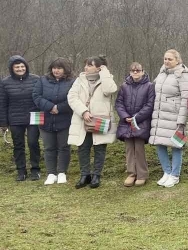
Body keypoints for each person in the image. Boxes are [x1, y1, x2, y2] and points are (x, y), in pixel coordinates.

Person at [67, 56, 118, 188]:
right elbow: (72, 97)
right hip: (82, 119)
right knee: (83, 148)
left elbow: (110, 90)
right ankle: (85, 175)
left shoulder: (107, 79)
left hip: (100, 120)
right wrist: (83, 111)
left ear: (99, 67)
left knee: (99, 148)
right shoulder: (79, 80)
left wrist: (105, 72)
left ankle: (96, 175)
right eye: (86, 65)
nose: (86, 67)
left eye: (90, 65)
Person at [149, 49, 188, 188]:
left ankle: (175, 175)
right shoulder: (161, 73)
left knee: (176, 146)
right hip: (160, 116)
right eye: (165, 58)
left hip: (175, 117)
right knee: (159, 144)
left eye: (170, 59)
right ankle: (166, 172)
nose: (167, 61)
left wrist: (182, 120)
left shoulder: (183, 75)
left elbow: (187, 99)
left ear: (177, 60)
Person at [32, 58, 74, 185]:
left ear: (65, 69)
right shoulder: (42, 80)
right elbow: (36, 96)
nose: (56, 70)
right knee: (49, 147)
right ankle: (51, 173)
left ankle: (62, 172)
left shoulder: (72, 82)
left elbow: (74, 98)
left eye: (59, 68)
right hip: (46, 119)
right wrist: (50, 107)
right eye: (54, 68)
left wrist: (59, 108)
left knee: (64, 147)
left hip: (65, 119)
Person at [0, 55, 41, 180]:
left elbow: (40, 98)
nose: (20, 68)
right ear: (12, 68)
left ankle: (35, 169)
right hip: (15, 118)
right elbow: (2, 103)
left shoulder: (36, 79)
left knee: (33, 143)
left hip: (34, 116)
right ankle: (21, 171)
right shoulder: (5, 82)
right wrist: (3, 123)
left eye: (22, 66)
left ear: (26, 67)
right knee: (18, 145)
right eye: (17, 67)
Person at [115, 62, 155, 187]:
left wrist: (136, 118)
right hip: (126, 123)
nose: (135, 72)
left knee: (139, 149)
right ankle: (131, 173)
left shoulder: (149, 86)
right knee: (129, 149)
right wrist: (125, 116)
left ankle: (142, 174)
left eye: (138, 70)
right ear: (130, 72)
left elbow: (150, 105)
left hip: (140, 123)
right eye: (133, 70)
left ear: (143, 71)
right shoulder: (124, 86)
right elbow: (119, 103)